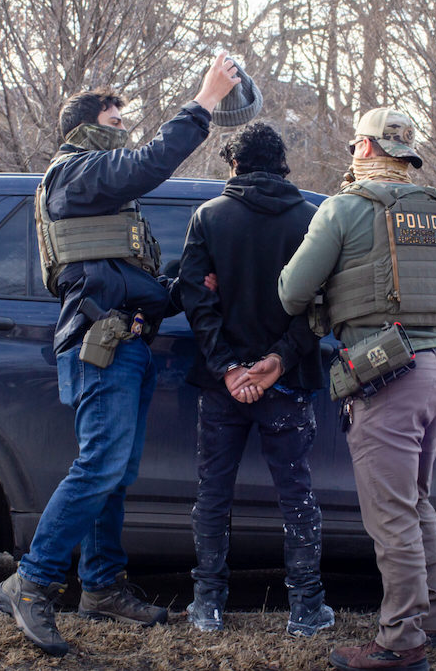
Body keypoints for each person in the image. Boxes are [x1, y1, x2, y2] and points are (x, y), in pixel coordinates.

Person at [0, 53, 241, 657]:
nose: (125, 127)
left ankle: (101, 586)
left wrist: (187, 285)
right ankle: (32, 581)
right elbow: (148, 163)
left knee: (116, 472)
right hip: (98, 346)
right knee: (101, 466)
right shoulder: (74, 173)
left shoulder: (101, 200)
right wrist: (205, 102)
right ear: (86, 126)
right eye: (115, 118)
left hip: (124, 343)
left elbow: (133, 285)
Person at [278, 108, 436, 671]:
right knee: (416, 502)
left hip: (387, 375)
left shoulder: (343, 208)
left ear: (363, 148)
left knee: (392, 517)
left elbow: (291, 291)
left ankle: (401, 642)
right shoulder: (435, 207)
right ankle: (433, 622)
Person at [178, 122, 334, 636]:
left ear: (235, 164)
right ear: (281, 163)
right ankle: (306, 608)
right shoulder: (311, 219)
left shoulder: (209, 217)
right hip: (288, 382)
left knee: (213, 491)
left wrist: (228, 368)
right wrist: (279, 361)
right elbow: (321, 306)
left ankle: (207, 605)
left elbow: (196, 300)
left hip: (222, 387)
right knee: (296, 492)